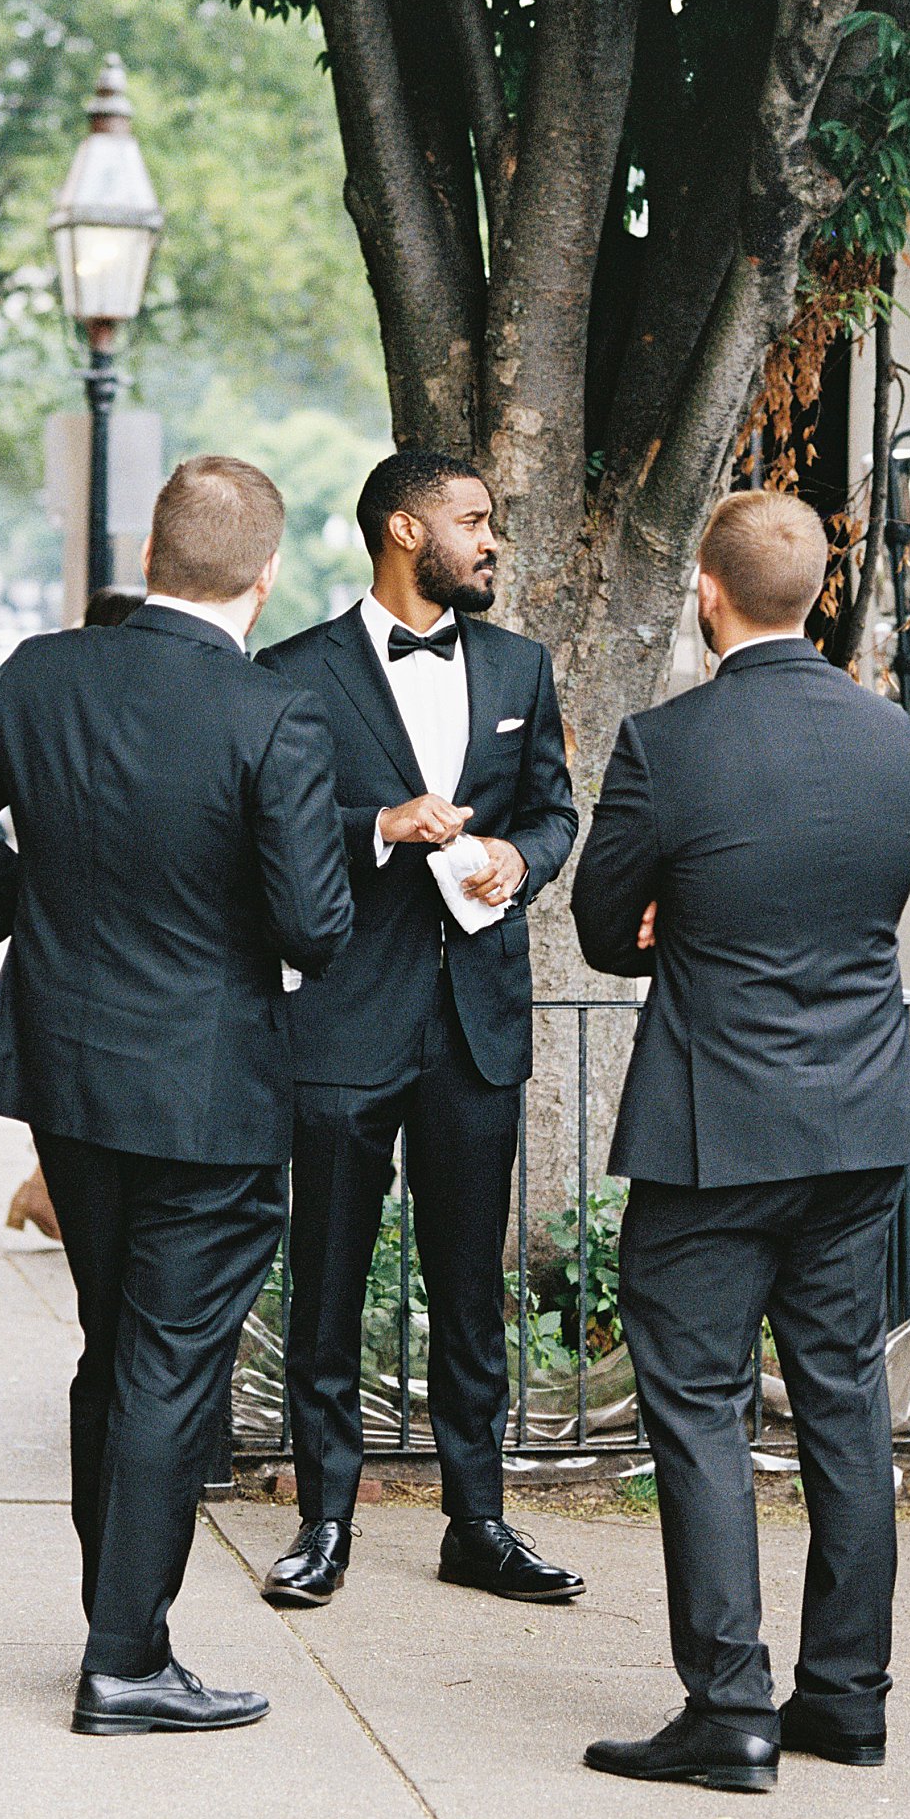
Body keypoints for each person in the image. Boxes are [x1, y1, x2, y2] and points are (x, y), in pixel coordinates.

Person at [0, 455, 353, 1736]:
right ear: (266, 577)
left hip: (69, 1073)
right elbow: (317, 925)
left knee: (118, 1350)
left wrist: (23, 911)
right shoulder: (274, 716)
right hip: (206, 1091)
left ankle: (116, 1619)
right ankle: (128, 1659)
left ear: (152, 557)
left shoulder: (45, 672)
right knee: (168, 1369)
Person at [571, 489, 910, 1793]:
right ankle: (845, 1700)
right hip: (856, 1119)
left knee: (696, 1408)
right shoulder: (887, 738)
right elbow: (866, 905)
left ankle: (727, 1707)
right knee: (843, 1409)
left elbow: (605, 927)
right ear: (815, 595)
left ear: (706, 596)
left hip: (712, 1128)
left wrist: (681, 911)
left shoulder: (668, 745)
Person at [255, 449, 583, 1609]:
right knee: (330, 1276)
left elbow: (555, 809)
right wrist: (379, 823)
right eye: (473, 520)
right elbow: (270, 833)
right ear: (405, 530)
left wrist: (519, 857)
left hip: (476, 1024)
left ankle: (478, 1518)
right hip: (344, 1018)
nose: (491, 540)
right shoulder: (291, 672)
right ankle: (324, 1519)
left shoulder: (518, 664)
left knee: (468, 1282)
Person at [5, 582, 146, 1247]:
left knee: (70, 1100)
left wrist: (19, 898)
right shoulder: (153, 725)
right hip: (128, 958)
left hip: (60, 956)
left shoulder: (56, 711)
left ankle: (50, 1193)